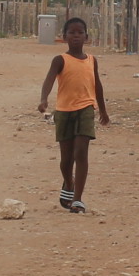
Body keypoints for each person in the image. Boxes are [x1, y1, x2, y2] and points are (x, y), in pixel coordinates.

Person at [36, 15, 109, 213]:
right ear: (64, 36)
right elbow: (49, 80)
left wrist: (102, 110)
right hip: (64, 112)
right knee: (66, 159)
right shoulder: (60, 59)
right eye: (72, 32)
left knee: (81, 153)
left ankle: (77, 199)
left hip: (86, 109)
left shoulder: (92, 61)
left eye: (80, 32)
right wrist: (44, 99)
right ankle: (68, 183)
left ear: (87, 36)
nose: (76, 36)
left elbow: (97, 86)